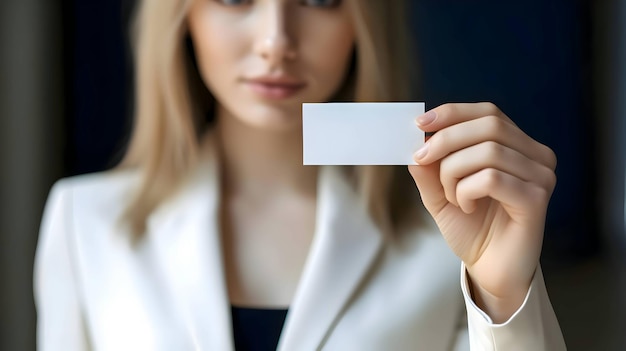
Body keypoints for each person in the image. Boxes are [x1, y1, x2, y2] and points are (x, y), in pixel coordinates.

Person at [34, 0, 566, 350]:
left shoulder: (451, 244)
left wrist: (504, 297)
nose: (275, 41)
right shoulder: (85, 224)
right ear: (180, 16)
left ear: (364, 21)